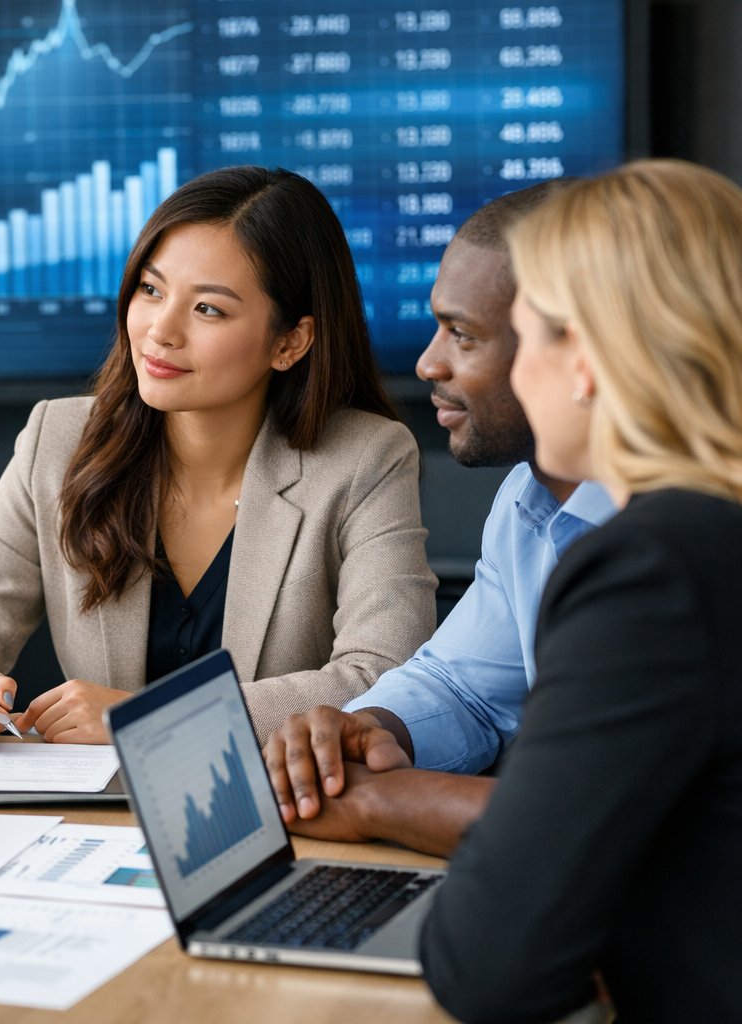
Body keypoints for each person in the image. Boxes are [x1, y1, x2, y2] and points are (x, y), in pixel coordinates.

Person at [0, 166, 436, 749]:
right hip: (94, 822)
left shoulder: (365, 459)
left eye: (208, 310)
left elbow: (383, 681)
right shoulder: (59, 439)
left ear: (289, 342)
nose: (160, 331)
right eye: (151, 290)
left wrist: (151, 715)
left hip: (276, 817)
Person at [420, 160, 742, 1022]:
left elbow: (486, 965)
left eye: (528, 334)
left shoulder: (654, 568)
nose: (437, 362)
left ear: (581, 358)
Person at [260, 180, 617, 856]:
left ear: (582, 355)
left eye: (463, 334)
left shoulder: (687, 542)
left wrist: (374, 800)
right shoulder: (528, 500)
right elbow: (468, 689)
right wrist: (364, 729)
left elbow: (594, 817)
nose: (428, 362)